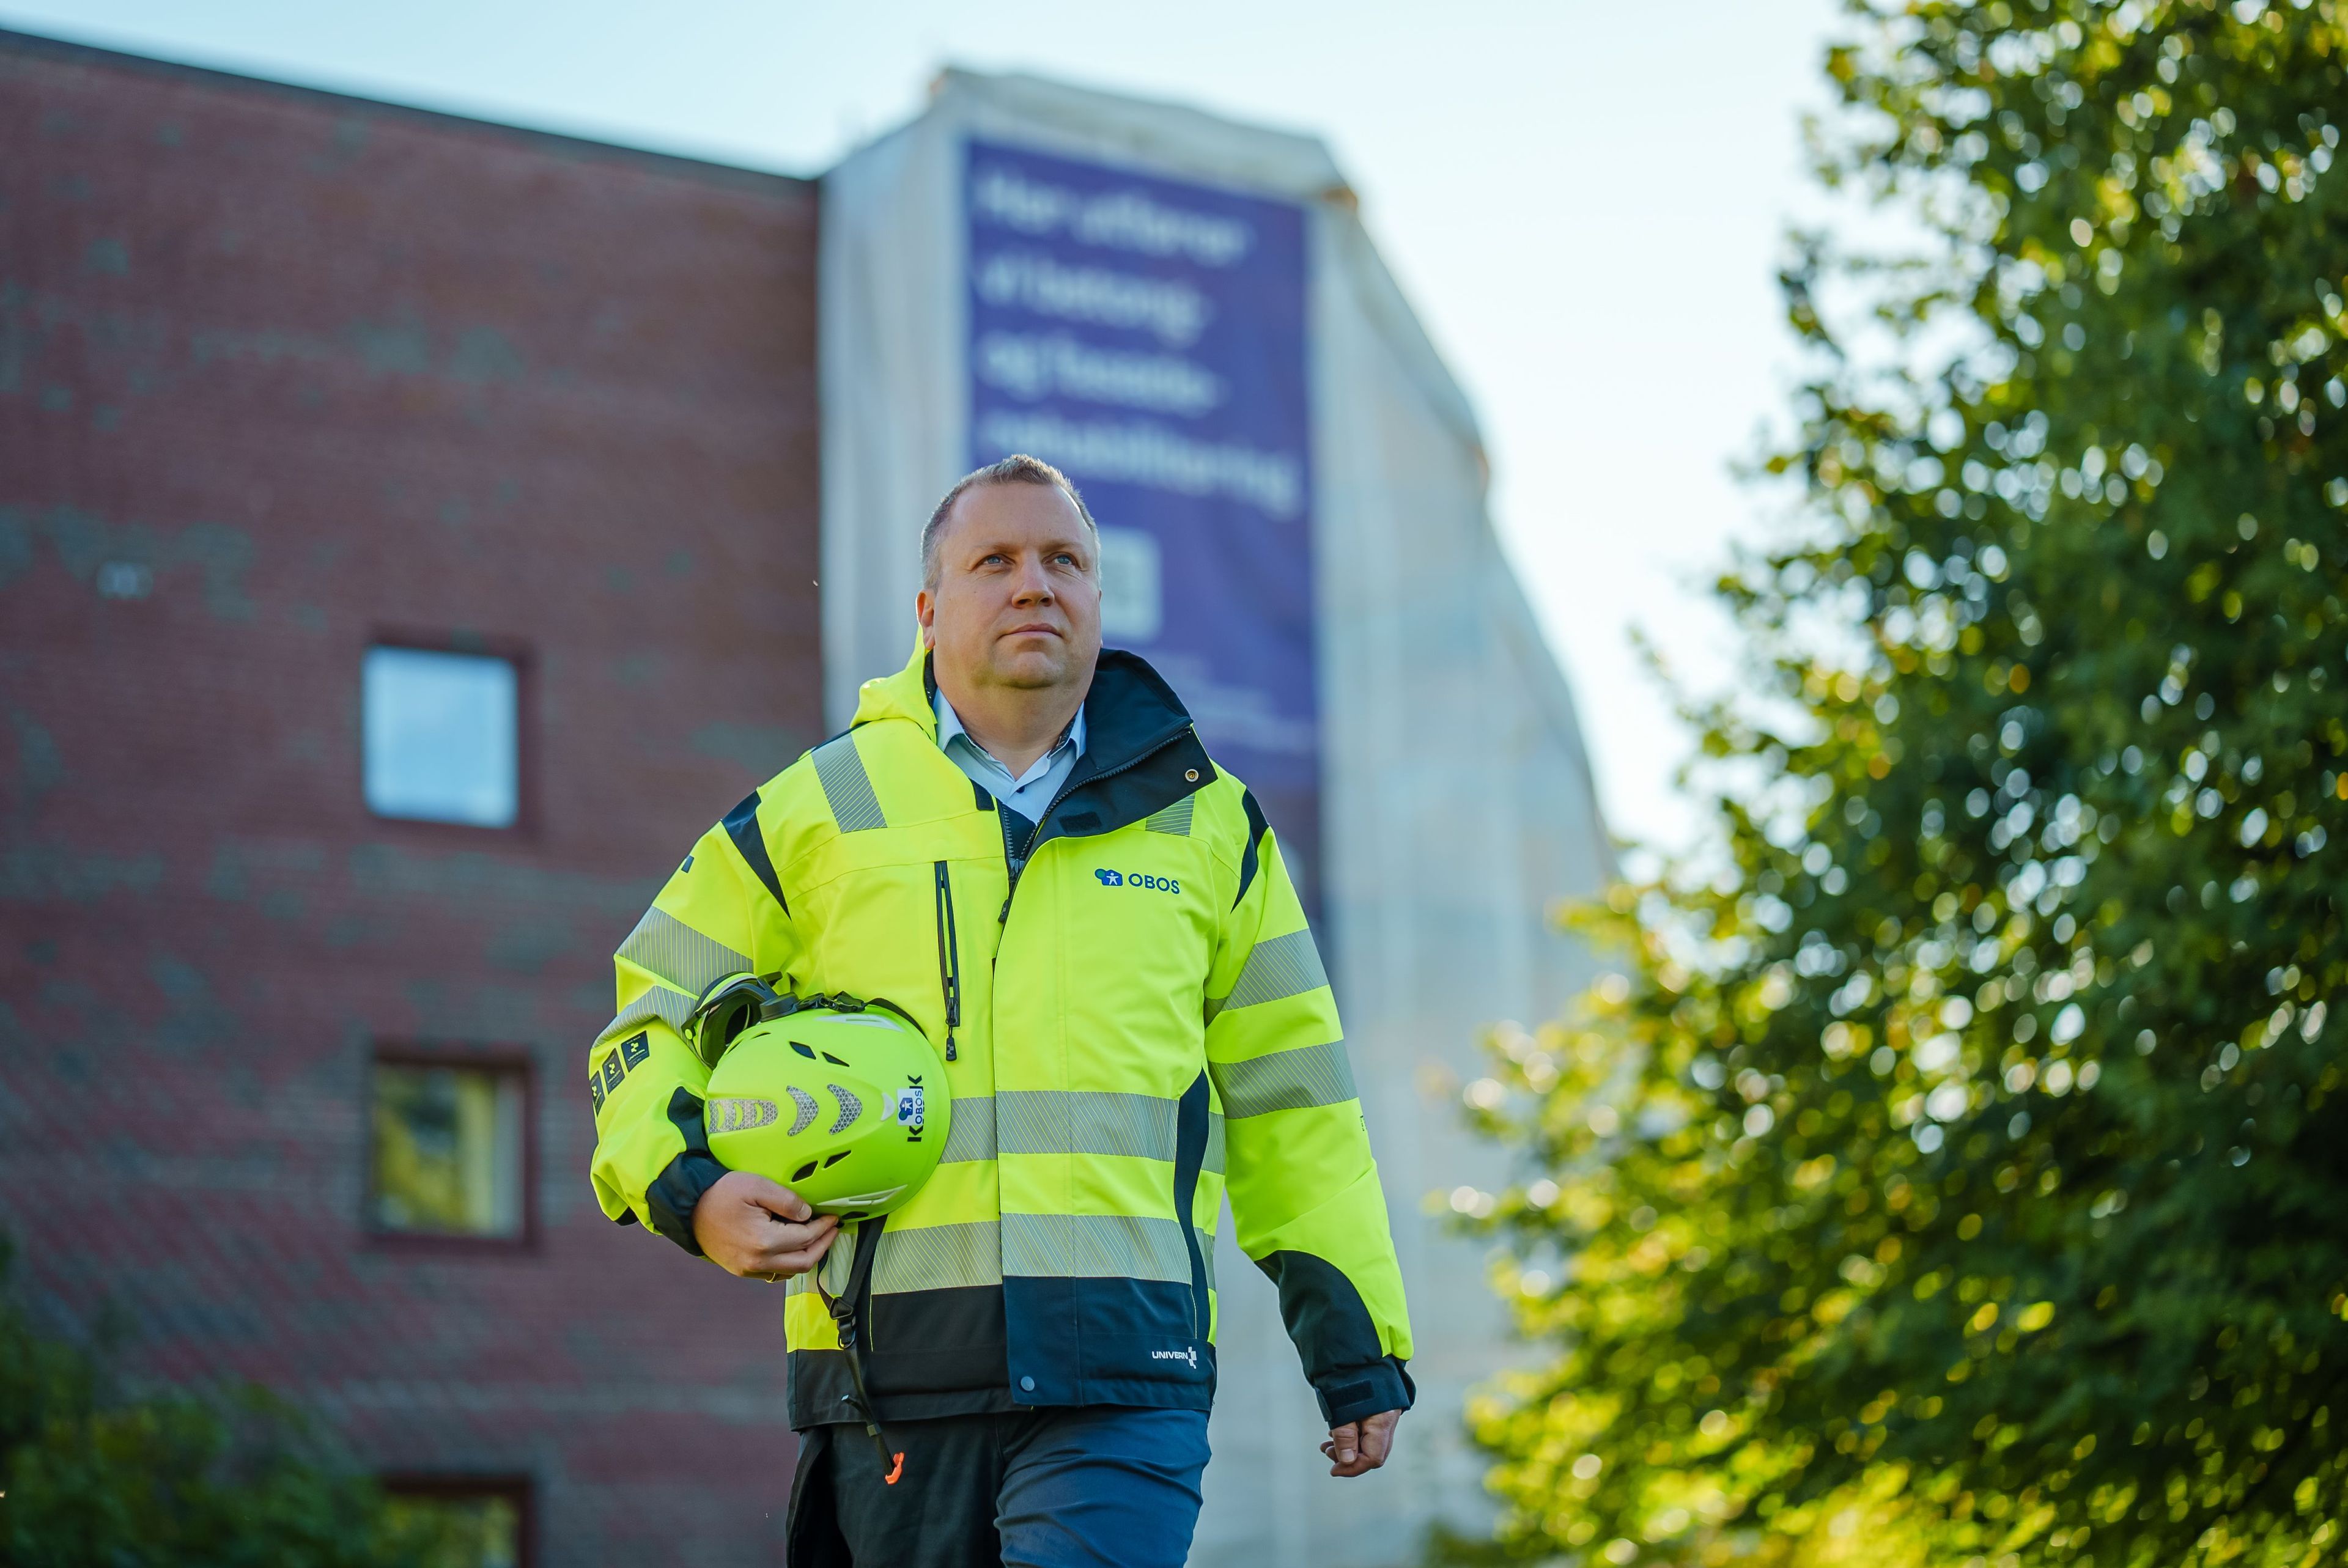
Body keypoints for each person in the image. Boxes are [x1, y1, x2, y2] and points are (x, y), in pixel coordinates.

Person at [585, 454, 1412, 1567]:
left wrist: (1355, 1345)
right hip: (886, 1382)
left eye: (1064, 559)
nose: (1035, 583)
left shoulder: (1211, 825)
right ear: (930, 612)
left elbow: (1296, 1098)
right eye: (996, 561)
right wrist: (693, 1193)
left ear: (1099, 599)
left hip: (1126, 1369)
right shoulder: (815, 809)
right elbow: (647, 1018)